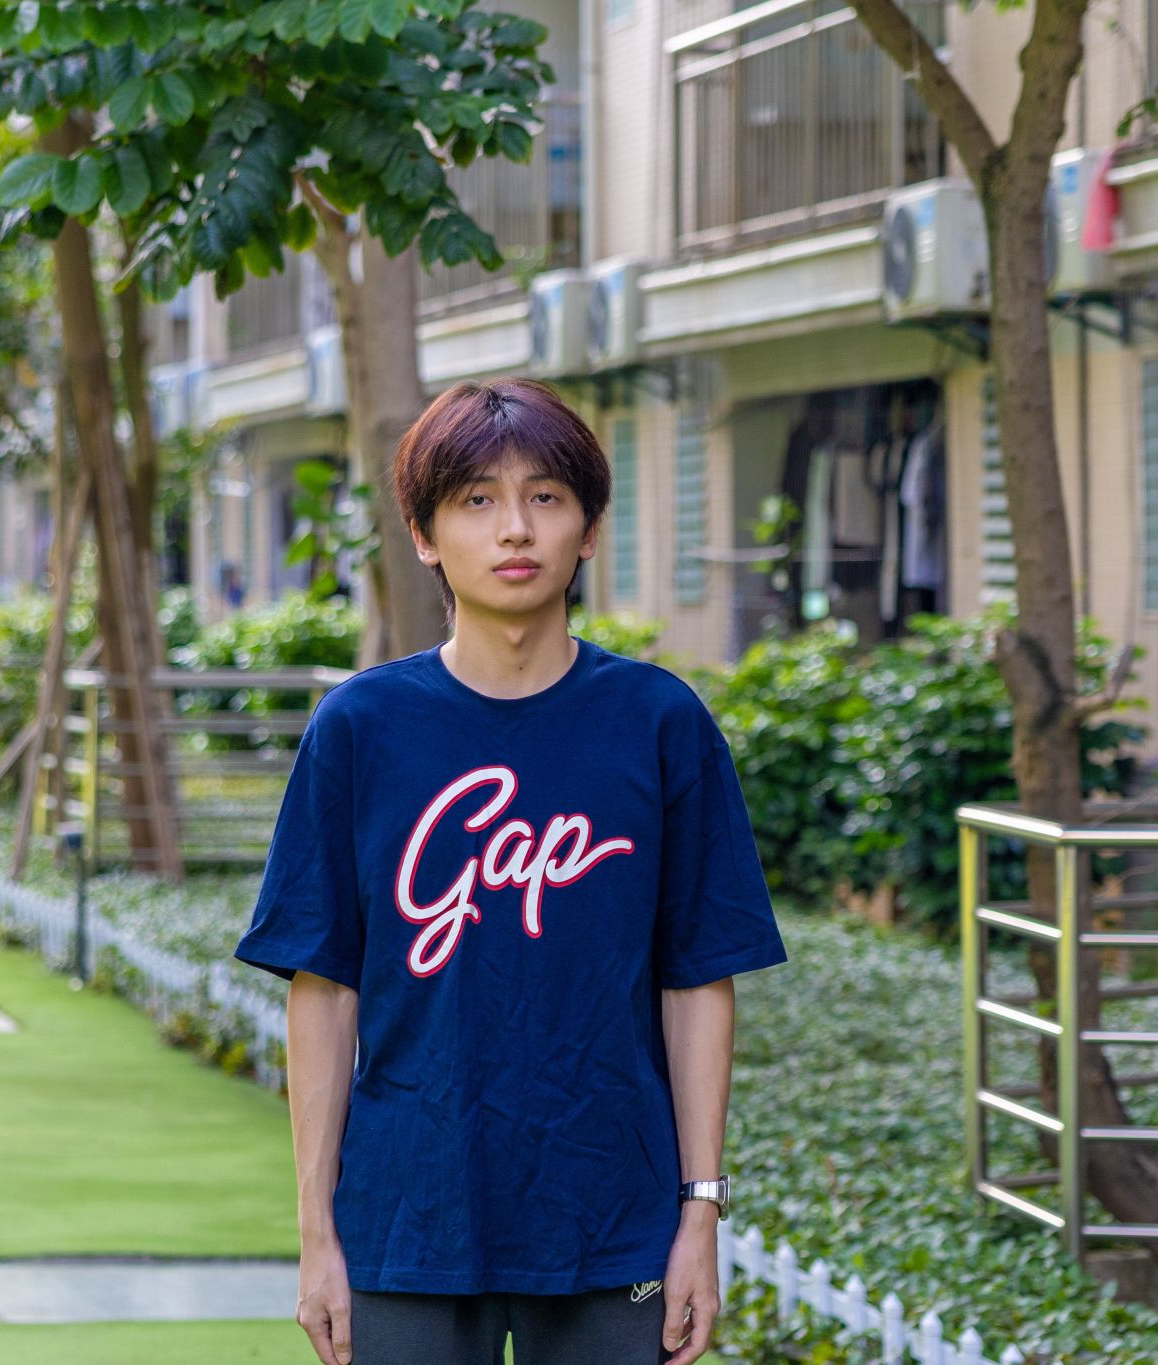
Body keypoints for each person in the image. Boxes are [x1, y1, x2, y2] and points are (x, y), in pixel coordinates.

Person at [233, 377, 790, 1365]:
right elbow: (322, 988)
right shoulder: (360, 728)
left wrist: (699, 1214)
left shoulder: (659, 723)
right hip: (406, 1218)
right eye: (476, 500)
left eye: (545, 497)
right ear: (423, 534)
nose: (514, 528)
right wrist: (317, 1233)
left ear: (588, 529)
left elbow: (697, 978)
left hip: (611, 1216)